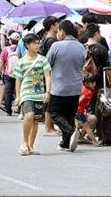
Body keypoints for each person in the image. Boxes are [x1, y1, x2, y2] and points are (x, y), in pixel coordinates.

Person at [45, 19, 85, 152]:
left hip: (59, 87)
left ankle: (70, 131)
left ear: (62, 32)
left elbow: (47, 64)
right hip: (75, 87)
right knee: (68, 115)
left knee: (54, 113)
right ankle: (65, 143)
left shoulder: (56, 46)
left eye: (58, 31)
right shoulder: (80, 46)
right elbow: (82, 64)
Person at [13, 33, 52, 156]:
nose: (37, 45)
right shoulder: (21, 62)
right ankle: (24, 143)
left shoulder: (42, 60)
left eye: (38, 43)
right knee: (29, 115)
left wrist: (48, 91)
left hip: (39, 93)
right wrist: (18, 96)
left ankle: (30, 146)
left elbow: (47, 76)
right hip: (26, 93)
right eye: (34, 43)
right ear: (27, 45)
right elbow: (18, 80)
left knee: (35, 120)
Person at [39, 15, 61, 136]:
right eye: (57, 24)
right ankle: (48, 127)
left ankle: (50, 125)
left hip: (47, 72)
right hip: (50, 73)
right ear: (52, 26)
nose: (58, 27)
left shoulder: (45, 39)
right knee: (50, 99)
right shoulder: (51, 40)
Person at [0, 31, 21, 116]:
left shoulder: (5, 49)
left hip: (8, 73)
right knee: (19, 91)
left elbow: (1, 62)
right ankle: (20, 109)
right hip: (19, 73)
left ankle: (8, 110)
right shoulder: (20, 49)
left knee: (8, 92)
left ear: (10, 40)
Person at [75, 74, 100, 146]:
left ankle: (81, 137)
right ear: (86, 83)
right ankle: (95, 142)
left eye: (94, 82)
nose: (94, 84)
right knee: (87, 127)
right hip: (79, 112)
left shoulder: (83, 88)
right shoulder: (88, 92)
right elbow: (80, 100)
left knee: (87, 125)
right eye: (92, 83)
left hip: (79, 112)